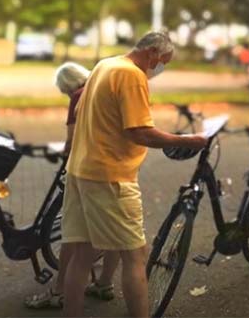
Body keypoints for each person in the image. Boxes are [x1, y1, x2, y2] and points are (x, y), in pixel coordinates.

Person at [61, 32, 207, 318]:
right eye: (163, 61)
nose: (160, 68)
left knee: (81, 255)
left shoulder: (106, 65)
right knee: (135, 256)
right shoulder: (131, 75)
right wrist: (188, 140)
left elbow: (80, 109)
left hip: (80, 170)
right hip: (109, 176)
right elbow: (140, 132)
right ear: (152, 53)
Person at [24, 63, 120, 309]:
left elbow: (72, 138)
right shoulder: (106, 87)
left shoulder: (78, 96)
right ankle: (105, 283)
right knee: (116, 233)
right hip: (116, 169)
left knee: (74, 233)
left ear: (68, 85)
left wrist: (63, 152)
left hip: (87, 171)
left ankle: (59, 292)